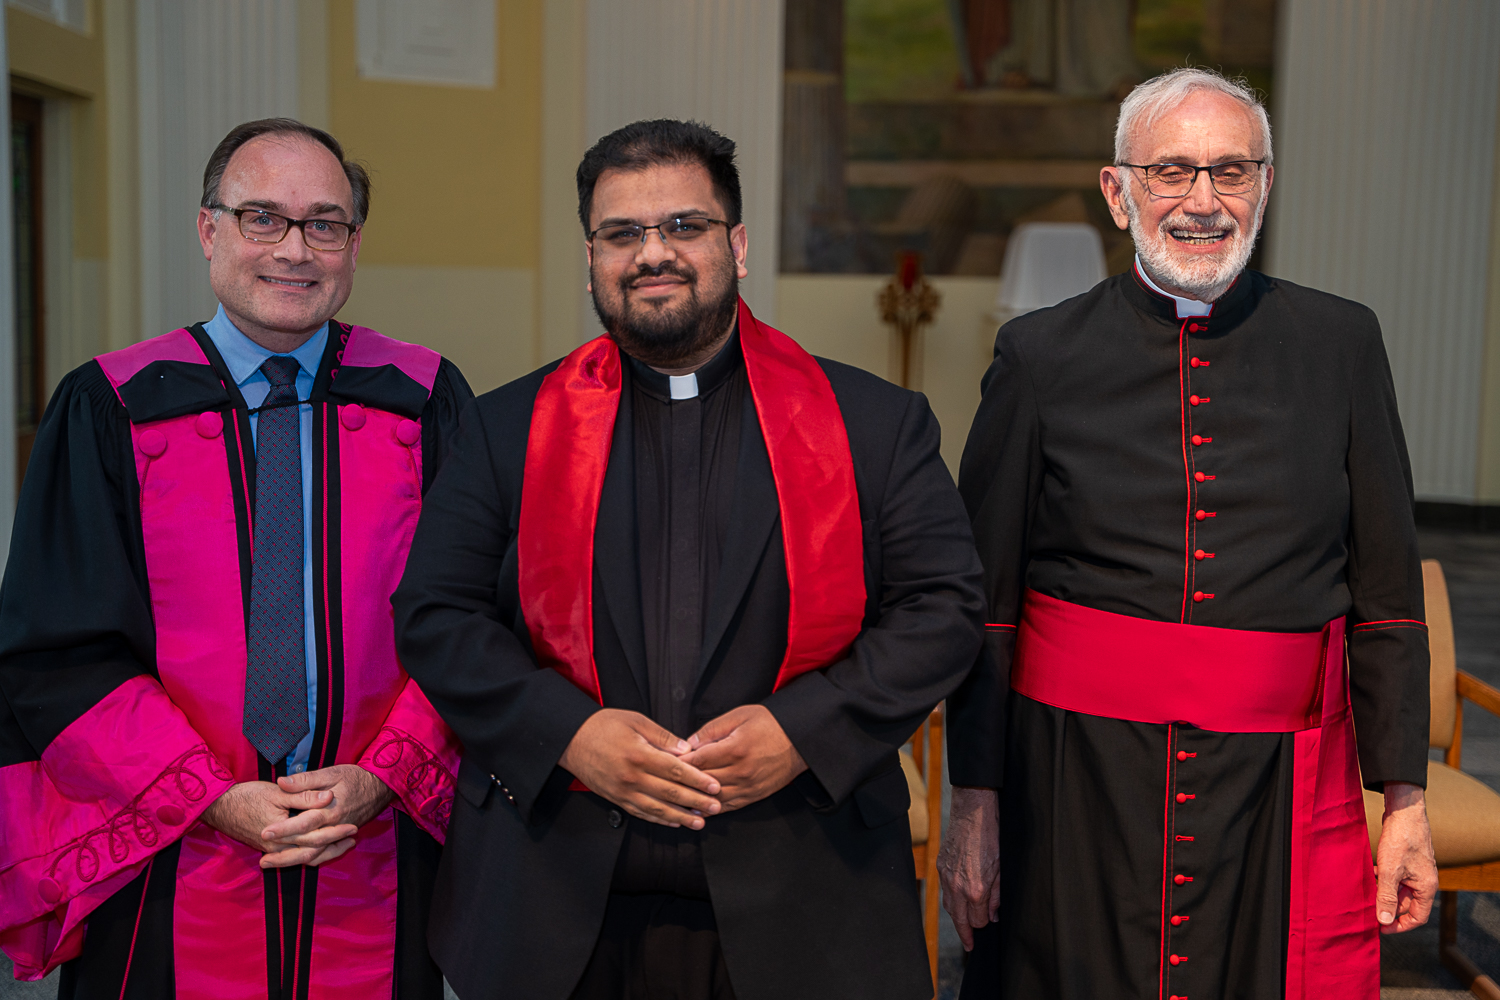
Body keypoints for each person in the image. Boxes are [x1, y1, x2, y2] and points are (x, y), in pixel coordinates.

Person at [393, 119, 985, 1000]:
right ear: (590, 259)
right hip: (554, 901)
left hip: (806, 900)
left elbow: (943, 607)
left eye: (684, 226)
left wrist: (803, 730)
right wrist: (569, 734)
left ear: (736, 246)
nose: (652, 253)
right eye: (621, 234)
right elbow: (436, 614)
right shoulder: (506, 426)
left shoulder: (873, 424)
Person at [939, 67, 1437, 1000]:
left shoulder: (1342, 344)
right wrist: (974, 799)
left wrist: (1405, 800)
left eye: (1231, 171)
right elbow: (986, 606)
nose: (1203, 201)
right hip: (1076, 773)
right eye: (1171, 171)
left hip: (1275, 782)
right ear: (1117, 190)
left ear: (1266, 185)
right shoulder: (1038, 355)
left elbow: (1387, 596)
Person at [0, 118, 472, 998]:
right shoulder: (111, 406)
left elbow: (474, 624)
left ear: (353, 244)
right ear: (208, 229)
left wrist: (383, 776)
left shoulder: (422, 400)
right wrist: (210, 796)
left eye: (324, 223)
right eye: (263, 218)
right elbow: (59, 651)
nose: (294, 249)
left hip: (374, 840)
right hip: (166, 847)